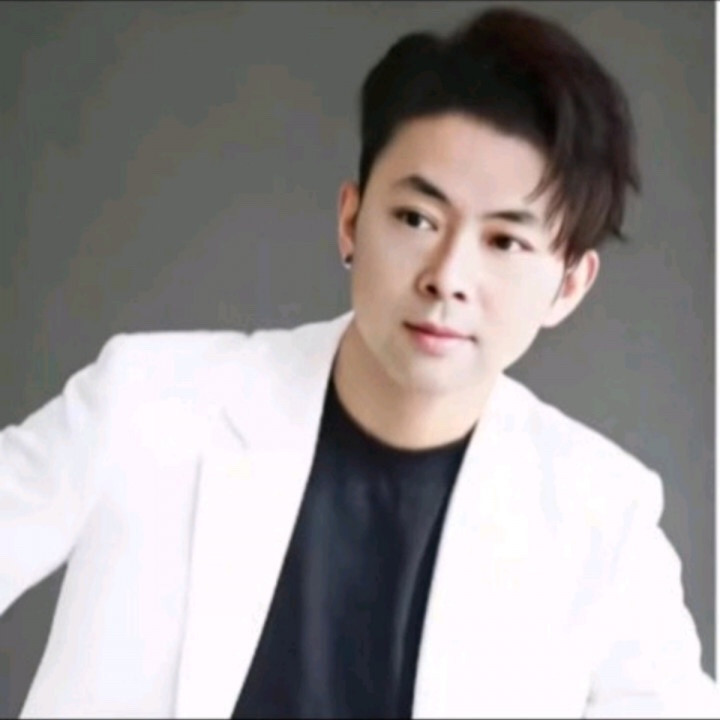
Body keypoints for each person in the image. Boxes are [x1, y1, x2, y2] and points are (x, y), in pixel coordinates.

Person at [2, 6, 718, 719]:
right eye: (417, 219)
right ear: (351, 220)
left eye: (505, 242)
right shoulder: (148, 403)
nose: (448, 276)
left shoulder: (603, 521)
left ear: (569, 286)